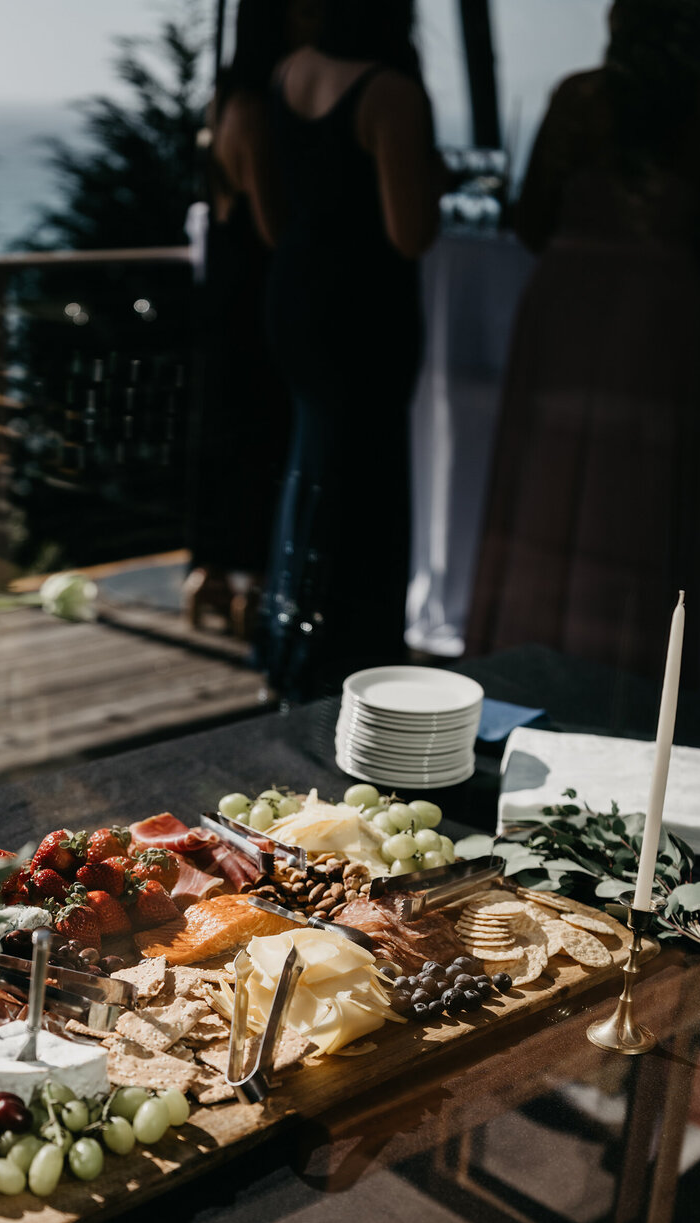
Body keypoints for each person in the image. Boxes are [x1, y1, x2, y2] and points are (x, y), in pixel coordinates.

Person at [465, 0, 700, 685]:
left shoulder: (578, 97)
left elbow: (532, 216)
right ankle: (624, 669)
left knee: (547, 482)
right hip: (659, 312)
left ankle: (527, 653)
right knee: (638, 498)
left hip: (567, 307)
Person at [250, 0, 445, 700]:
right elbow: (410, 231)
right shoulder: (388, 94)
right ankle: (351, 658)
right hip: (365, 310)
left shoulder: (287, 74)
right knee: (367, 482)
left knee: (312, 464)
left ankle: (291, 640)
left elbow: (270, 210)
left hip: (296, 288)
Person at [185, 0, 296, 638]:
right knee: (259, 434)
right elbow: (274, 225)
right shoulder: (256, 113)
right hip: (255, 290)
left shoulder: (224, 105)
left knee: (223, 432)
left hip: (224, 289)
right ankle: (251, 581)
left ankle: (209, 570)